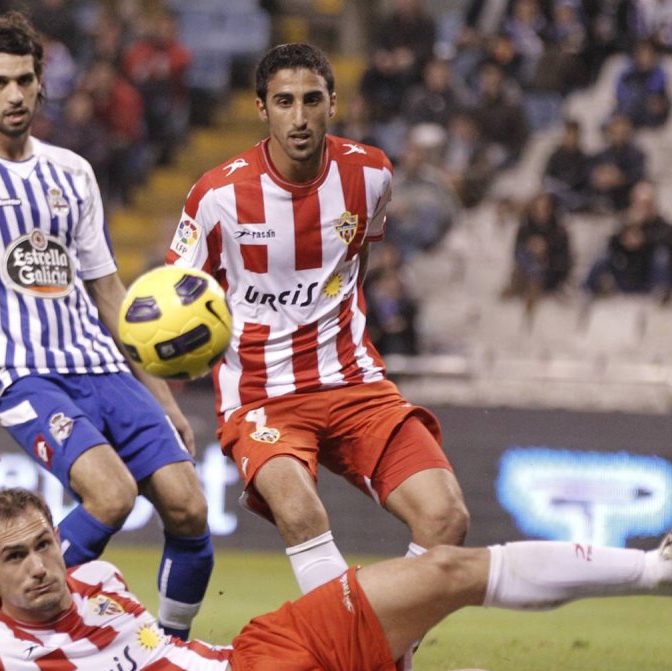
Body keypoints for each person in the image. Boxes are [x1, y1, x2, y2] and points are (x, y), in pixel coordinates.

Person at [0, 12, 212, 639]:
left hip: (102, 366)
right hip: (23, 373)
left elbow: (109, 293)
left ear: (41, 82)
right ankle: (6, 638)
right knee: (111, 496)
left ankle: (169, 652)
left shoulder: (72, 172)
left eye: (25, 80)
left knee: (189, 507)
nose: (15, 95)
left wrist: (161, 396)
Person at [164, 44, 470, 598]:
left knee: (447, 519)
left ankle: (382, 651)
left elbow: (358, 258)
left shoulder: (372, 173)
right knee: (304, 516)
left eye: (311, 100)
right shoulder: (217, 196)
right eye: (284, 102)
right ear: (261, 108)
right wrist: (166, 395)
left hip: (354, 382)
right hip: (261, 395)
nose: (299, 117)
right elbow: (172, 299)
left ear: (334, 102)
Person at [0, 484, 672, 671]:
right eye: (16, 557)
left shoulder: (93, 571)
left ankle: (666, 571)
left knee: (445, 566)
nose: (39, 566)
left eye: (43, 544)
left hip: (254, 656)